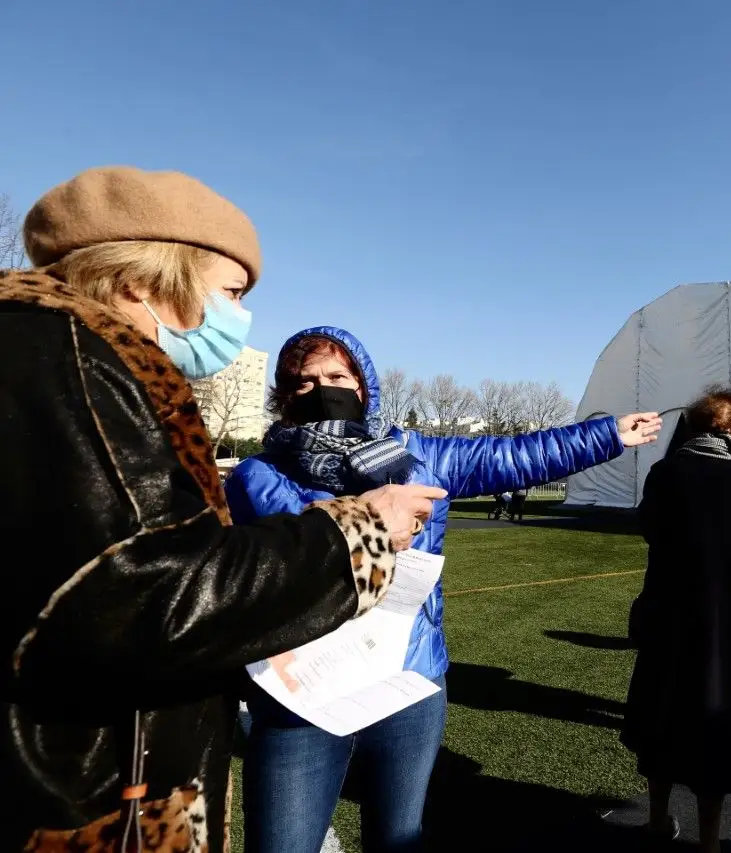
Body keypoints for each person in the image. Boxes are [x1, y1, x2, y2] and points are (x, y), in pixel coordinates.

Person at [0, 167, 440, 850]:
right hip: (81, 795)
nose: (238, 317)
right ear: (146, 282)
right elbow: (144, 595)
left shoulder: (58, 358)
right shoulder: (76, 369)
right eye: (231, 292)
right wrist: (362, 531)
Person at [224, 326, 662, 853]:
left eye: (337, 376)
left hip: (408, 676)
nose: (322, 389)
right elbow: (242, 578)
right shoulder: (254, 475)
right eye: (304, 382)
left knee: (399, 838)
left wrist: (608, 434)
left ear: (364, 385)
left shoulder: (416, 453)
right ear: (284, 396)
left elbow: (513, 456)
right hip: (304, 691)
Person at [623, 387, 731, 853]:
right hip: (728, 622)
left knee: (662, 712)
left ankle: (657, 821)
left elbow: (652, 531)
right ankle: (711, 841)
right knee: (716, 725)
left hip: (669, 611)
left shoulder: (667, 472)